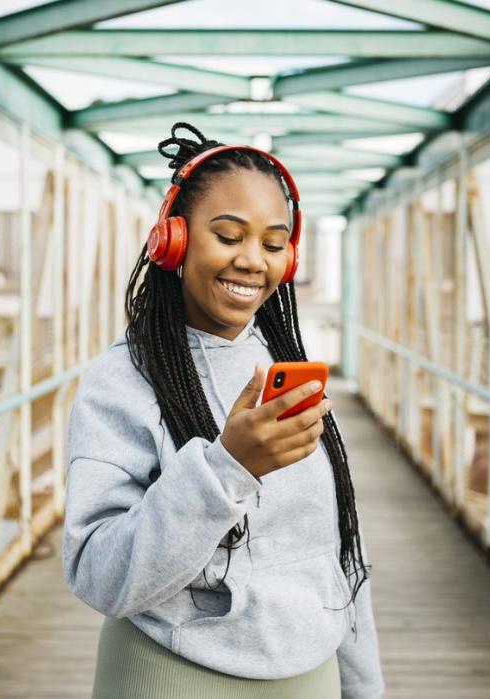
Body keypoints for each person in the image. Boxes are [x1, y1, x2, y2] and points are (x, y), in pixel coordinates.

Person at [62, 122, 385, 698]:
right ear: (174, 241)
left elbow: (333, 554)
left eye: (272, 242)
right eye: (229, 235)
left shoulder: (283, 360)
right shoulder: (123, 380)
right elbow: (97, 572)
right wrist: (226, 469)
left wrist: (366, 689)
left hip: (307, 673)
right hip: (168, 673)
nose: (251, 261)